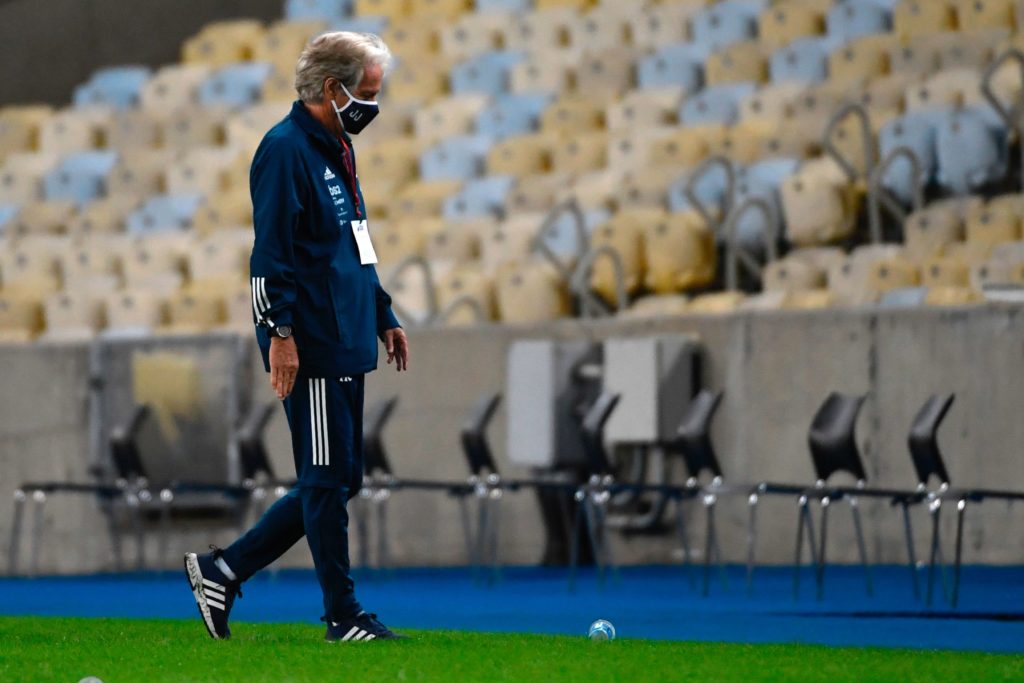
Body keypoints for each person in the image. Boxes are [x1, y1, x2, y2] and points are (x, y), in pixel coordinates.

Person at [184, 31, 410, 643]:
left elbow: (356, 244)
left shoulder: (337, 145)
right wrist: (279, 333)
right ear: (332, 89)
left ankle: (223, 570)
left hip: (345, 333)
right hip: (307, 341)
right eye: (365, 94)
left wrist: (383, 311)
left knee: (338, 479)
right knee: (326, 479)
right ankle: (342, 615)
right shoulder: (284, 150)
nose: (371, 107)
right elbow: (269, 255)